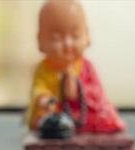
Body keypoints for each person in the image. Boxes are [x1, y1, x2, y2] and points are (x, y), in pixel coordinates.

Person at [26, 0, 125, 135]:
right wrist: (46, 100)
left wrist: (79, 90)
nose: (68, 44)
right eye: (57, 38)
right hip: (56, 112)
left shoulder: (87, 66)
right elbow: (39, 90)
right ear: (40, 41)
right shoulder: (44, 69)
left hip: (81, 112)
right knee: (51, 123)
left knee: (106, 117)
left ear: (87, 36)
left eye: (75, 36)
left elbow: (97, 93)